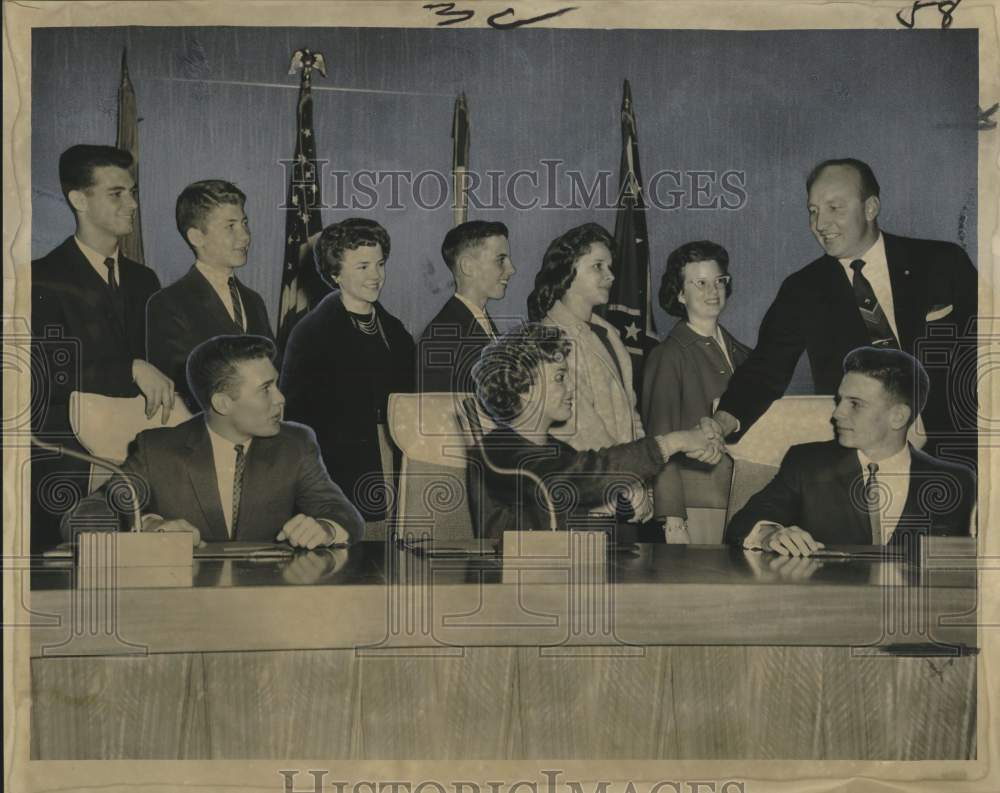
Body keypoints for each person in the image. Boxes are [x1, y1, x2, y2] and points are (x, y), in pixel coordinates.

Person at [714, 159, 977, 467]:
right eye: (813, 211)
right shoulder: (802, 289)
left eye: (834, 208)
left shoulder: (941, 262)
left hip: (962, 448)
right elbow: (764, 369)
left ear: (870, 208)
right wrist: (721, 423)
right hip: (864, 461)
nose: (819, 224)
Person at [63, 335, 364, 547]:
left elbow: (342, 513)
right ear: (222, 403)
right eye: (266, 389)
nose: (281, 399)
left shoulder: (296, 443)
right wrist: (144, 529)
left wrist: (325, 529)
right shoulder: (157, 450)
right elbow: (86, 515)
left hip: (271, 605)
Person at [31, 144, 173, 552]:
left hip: (139, 467)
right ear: (79, 199)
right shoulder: (39, 278)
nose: (132, 204)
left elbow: (161, 365)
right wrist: (129, 368)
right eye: (116, 193)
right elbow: (44, 374)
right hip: (68, 470)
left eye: (132, 192)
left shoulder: (145, 280)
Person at [468, 323, 724, 540]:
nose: (571, 388)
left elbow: (563, 510)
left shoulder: (557, 451)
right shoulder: (495, 453)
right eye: (559, 378)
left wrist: (613, 505)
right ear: (523, 386)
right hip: (508, 590)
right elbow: (574, 480)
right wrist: (671, 443)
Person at [724, 347, 975, 555]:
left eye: (855, 404)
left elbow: (956, 570)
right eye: (840, 400)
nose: (837, 413)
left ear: (898, 416)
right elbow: (742, 523)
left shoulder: (955, 481)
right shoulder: (808, 464)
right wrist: (770, 534)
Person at [279, 218, 414, 530]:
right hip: (338, 470)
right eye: (363, 267)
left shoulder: (394, 330)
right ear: (335, 273)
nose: (376, 276)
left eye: (380, 264)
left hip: (395, 460)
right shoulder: (311, 333)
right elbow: (295, 419)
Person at [641, 241, 749, 543]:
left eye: (719, 281)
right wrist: (673, 519)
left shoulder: (746, 355)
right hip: (698, 506)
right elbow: (659, 441)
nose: (712, 291)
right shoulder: (668, 356)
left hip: (748, 500)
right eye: (699, 283)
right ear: (679, 293)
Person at [146, 180, 273, 409]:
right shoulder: (167, 303)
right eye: (230, 226)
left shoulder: (254, 301)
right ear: (196, 237)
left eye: (245, 223)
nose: (245, 236)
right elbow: (179, 386)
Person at [527, 223, 644, 452]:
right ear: (567, 271)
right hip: (595, 477)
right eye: (598, 266)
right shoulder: (552, 339)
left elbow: (632, 415)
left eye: (610, 267)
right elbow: (578, 432)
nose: (610, 276)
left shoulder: (608, 333)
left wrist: (642, 460)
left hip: (627, 473)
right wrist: (630, 468)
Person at [416, 220, 515, 392]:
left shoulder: (481, 323)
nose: (511, 269)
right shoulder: (440, 338)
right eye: (501, 260)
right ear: (468, 266)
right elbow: (435, 413)